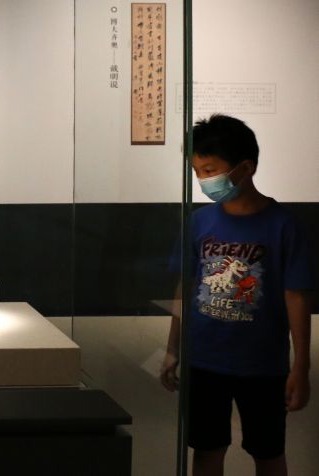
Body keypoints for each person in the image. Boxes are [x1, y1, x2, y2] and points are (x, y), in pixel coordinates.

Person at [160, 114, 312, 476]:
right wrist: (172, 348)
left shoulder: (283, 225)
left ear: (246, 167)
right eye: (197, 171)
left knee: (268, 452)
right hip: (204, 360)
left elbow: (296, 296)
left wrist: (301, 365)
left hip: (262, 365)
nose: (203, 180)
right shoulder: (199, 222)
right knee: (206, 450)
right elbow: (186, 287)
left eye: (210, 170)